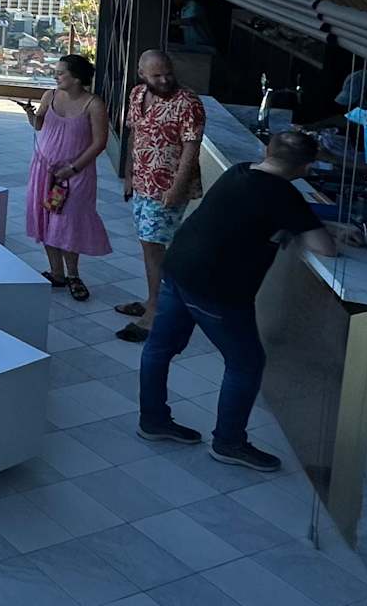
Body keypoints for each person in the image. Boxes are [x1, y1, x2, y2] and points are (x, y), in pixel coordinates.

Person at [137, 128, 348, 471]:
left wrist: (298, 225)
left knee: (160, 348)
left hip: (177, 269)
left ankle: (152, 420)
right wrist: (317, 230)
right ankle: (229, 442)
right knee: (245, 364)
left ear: (267, 151)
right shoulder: (284, 196)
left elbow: (260, 214)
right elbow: (325, 248)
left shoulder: (240, 171)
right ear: (307, 168)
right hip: (216, 290)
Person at [116, 50, 205, 342]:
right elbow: (134, 134)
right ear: (142, 74)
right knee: (147, 244)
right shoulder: (137, 94)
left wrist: (177, 188)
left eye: (168, 73)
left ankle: (156, 311)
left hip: (167, 187)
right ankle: (153, 299)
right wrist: (129, 174)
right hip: (142, 181)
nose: (165, 80)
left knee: (153, 245)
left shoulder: (188, 102)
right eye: (157, 75)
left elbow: (191, 148)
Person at [18, 53, 111, 301]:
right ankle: (56, 272)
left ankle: (73, 275)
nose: (55, 77)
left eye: (61, 73)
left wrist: (74, 168)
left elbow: (100, 142)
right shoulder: (49, 96)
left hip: (76, 174)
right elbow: (38, 125)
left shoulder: (94, 104)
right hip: (44, 170)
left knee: (69, 222)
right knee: (46, 219)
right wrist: (31, 114)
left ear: (77, 78)